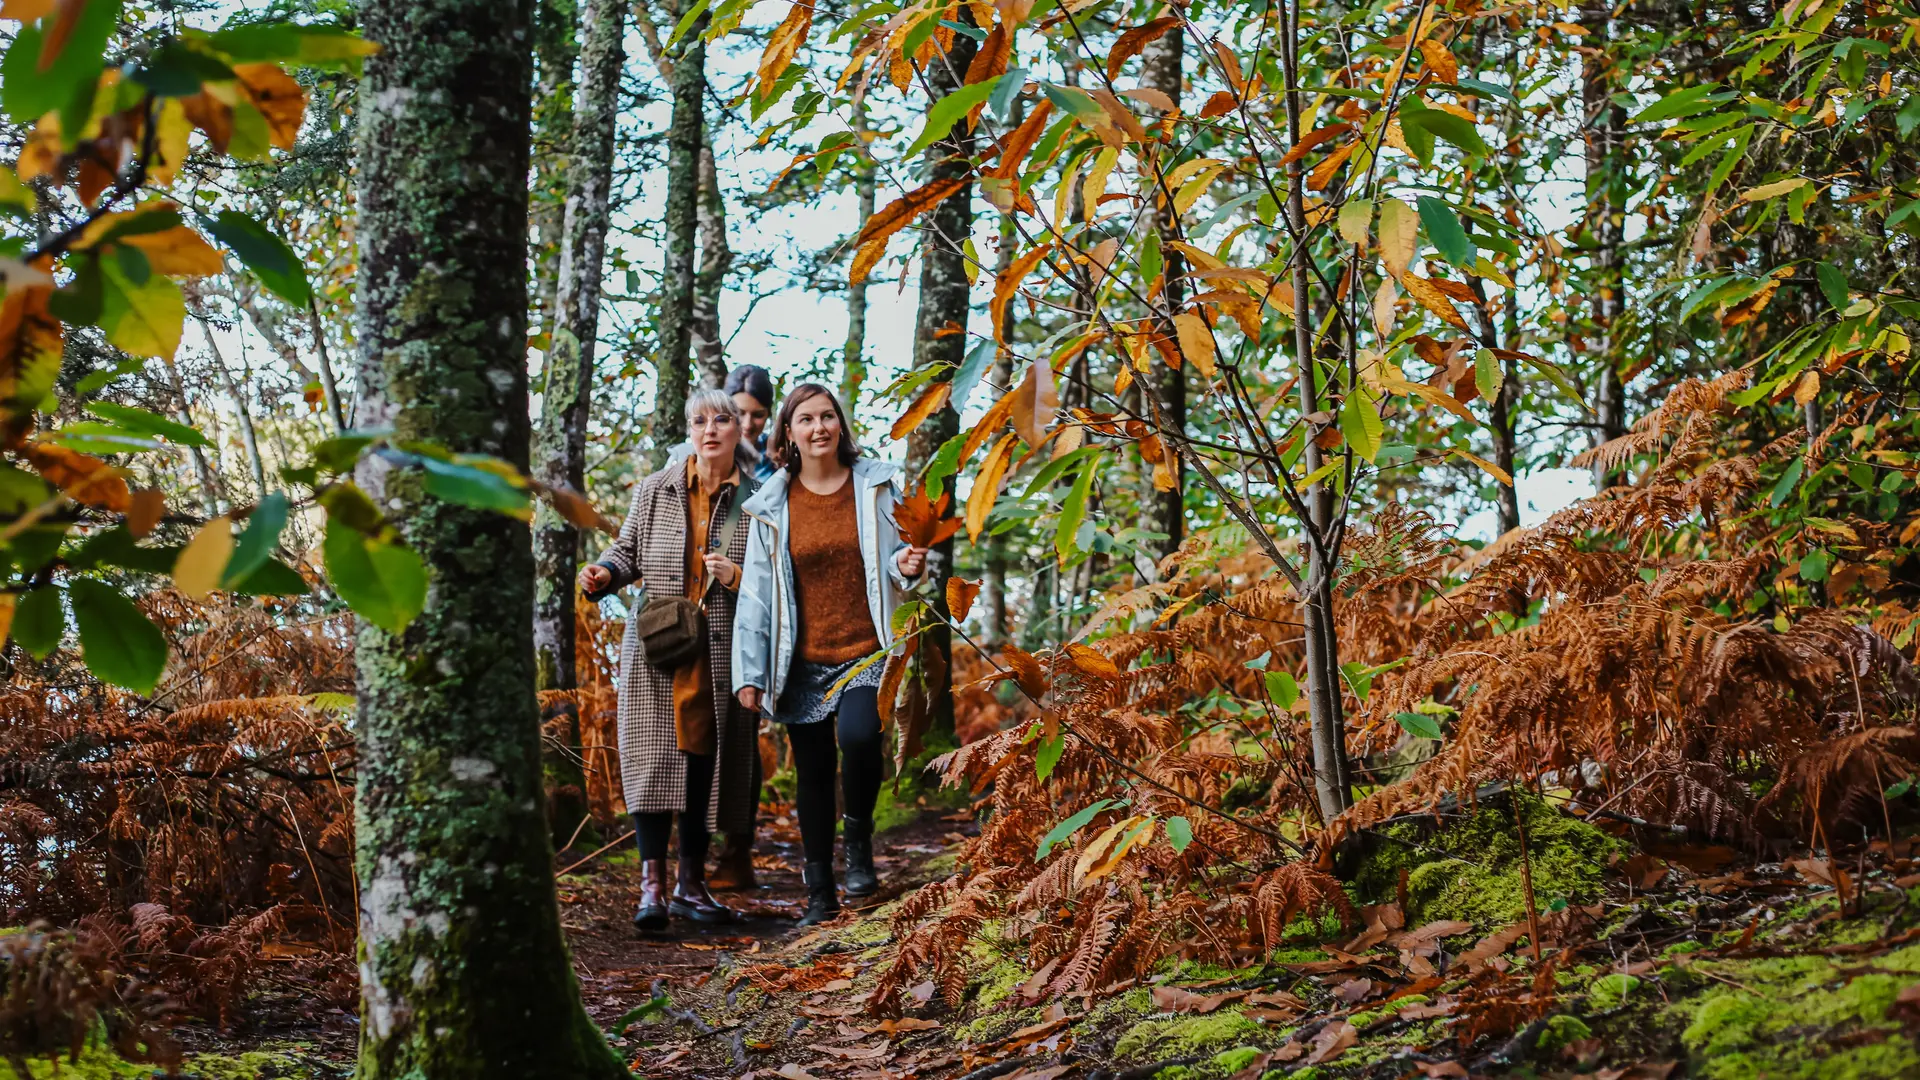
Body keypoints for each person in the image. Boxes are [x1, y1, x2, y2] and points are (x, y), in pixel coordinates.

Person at [732, 384, 929, 926]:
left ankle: (859, 838)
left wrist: (907, 569)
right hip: (800, 660)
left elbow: (894, 564)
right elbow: (756, 592)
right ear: (788, 433)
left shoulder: (877, 487)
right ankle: (819, 891)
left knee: (862, 738)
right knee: (814, 771)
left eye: (827, 417)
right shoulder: (772, 501)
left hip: (866, 651)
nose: (818, 427)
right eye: (806, 420)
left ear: (840, 425)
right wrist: (749, 673)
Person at [578, 388, 764, 930]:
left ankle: (691, 882)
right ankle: (652, 886)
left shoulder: (756, 499)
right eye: (699, 420)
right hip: (658, 645)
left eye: (722, 419)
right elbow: (626, 553)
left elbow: (775, 579)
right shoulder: (654, 491)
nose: (711, 429)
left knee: (707, 761)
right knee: (652, 759)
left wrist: (737, 577)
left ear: (737, 431)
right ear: (689, 430)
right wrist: (604, 575)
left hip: (722, 643)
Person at [666, 365, 777, 484]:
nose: (747, 425)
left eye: (758, 415)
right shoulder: (686, 457)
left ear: (768, 414)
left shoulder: (779, 456)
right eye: (740, 413)